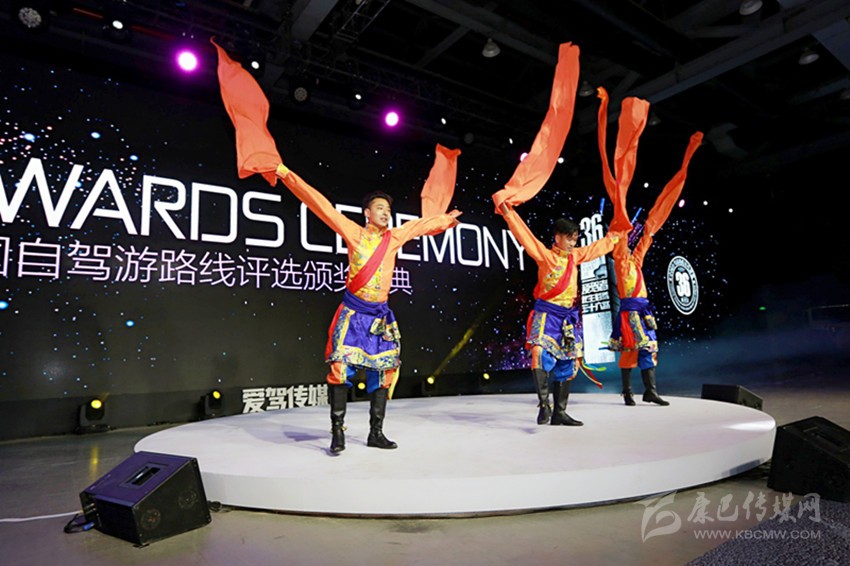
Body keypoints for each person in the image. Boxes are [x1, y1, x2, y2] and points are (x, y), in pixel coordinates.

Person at [276, 164, 461, 453]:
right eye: (379, 208)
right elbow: (320, 205)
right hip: (353, 314)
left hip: (379, 318)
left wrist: (445, 220)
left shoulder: (394, 237)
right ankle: (338, 432)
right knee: (339, 370)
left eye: (388, 209)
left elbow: (421, 226)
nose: (386, 213)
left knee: (383, 372)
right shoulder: (354, 233)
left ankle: (376, 433)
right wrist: (285, 173)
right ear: (367, 213)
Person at [594, 88, 703, 406]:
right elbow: (622, 241)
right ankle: (628, 392)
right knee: (630, 351)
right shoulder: (619, 259)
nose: (630, 243)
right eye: (626, 242)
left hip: (643, 310)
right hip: (630, 311)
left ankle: (650, 391)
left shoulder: (635, 260)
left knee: (649, 348)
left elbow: (644, 241)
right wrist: (619, 228)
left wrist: (651, 227)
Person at [498, 202, 622, 426]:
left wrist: (615, 237)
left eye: (575, 239)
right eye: (569, 238)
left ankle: (560, 413)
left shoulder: (576, 256)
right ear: (557, 237)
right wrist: (509, 213)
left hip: (567, 318)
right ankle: (544, 405)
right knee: (539, 353)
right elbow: (525, 236)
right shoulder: (546, 256)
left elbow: (596, 248)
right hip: (547, 314)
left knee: (568, 361)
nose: (573, 243)